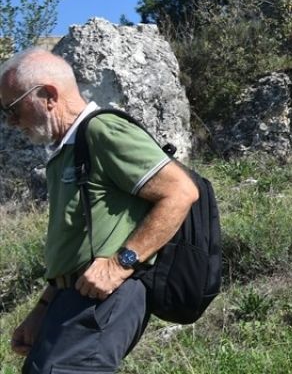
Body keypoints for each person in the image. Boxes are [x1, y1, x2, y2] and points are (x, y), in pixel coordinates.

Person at [3, 49, 199, 374]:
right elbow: (79, 245)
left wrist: (121, 263)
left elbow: (180, 191)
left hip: (105, 297)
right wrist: (42, 309)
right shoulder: (68, 150)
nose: (10, 121)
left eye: (12, 107)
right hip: (74, 297)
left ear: (49, 95)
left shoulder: (102, 131)